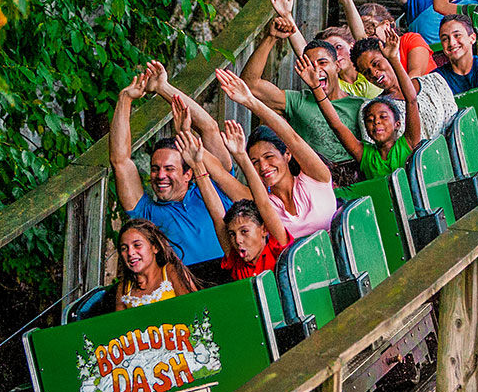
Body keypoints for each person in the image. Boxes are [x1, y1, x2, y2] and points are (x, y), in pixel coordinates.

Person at [110, 61, 249, 270]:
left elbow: (209, 128)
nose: (160, 175)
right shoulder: (148, 214)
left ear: (188, 174)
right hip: (188, 291)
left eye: (169, 168)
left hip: (233, 276)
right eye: (155, 168)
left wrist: (163, 87)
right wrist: (125, 98)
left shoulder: (216, 186)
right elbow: (120, 161)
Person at [217, 68, 337, 238]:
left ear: (287, 155)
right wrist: (241, 156)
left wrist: (251, 101)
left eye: (269, 157)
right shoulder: (265, 204)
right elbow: (221, 175)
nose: (263, 166)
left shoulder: (316, 177)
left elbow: (292, 138)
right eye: (255, 162)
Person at [241, 16, 367, 174]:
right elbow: (250, 84)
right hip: (314, 182)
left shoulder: (360, 105)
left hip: (356, 178)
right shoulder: (297, 100)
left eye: (322, 63)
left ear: (336, 66)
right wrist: (270, 37)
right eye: (309, 65)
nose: (316, 70)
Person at [297, 28, 421, 180]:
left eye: (383, 117)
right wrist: (316, 88)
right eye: (369, 120)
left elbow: (411, 100)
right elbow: (337, 125)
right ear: (366, 130)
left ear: (397, 124)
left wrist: (394, 59)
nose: (376, 122)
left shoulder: (408, 143)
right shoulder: (364, 155)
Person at [176, 127, 294, 281]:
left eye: (244, 231)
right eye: (232, 234)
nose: (237, 240)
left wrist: (241, 155)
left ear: (263, 229)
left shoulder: (277, 249)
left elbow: (264, 203)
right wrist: (197, 167)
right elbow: (217, 217)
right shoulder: (236, 261)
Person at [267, 0, 383, 98]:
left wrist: (346, 0)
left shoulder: (369, 69)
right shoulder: (332, 82)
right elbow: (304, 53)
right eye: (331, 52)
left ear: (352, 46)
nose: (336, 54)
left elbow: (361, 38)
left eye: (338, 47)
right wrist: (287, 16)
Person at [351, 26, 457, 143]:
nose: (373, 73)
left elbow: (455, 124)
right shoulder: (372, 110)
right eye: (366, 72)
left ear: (387, 55)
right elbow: (379, 149)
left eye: (376, 63)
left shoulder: (434, 82)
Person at [114, 218, 199, 310]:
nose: (130, 253)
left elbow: (192, 309)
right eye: (124, 248)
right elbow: (120, 322)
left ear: (155, 247)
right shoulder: (124, 288)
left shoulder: (171, 271)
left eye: (137, 245)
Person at [434, 14, 478, 94]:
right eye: (445, 39)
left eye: (457, 35)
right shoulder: (437, 78)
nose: (451, 43)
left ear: (472, 38)